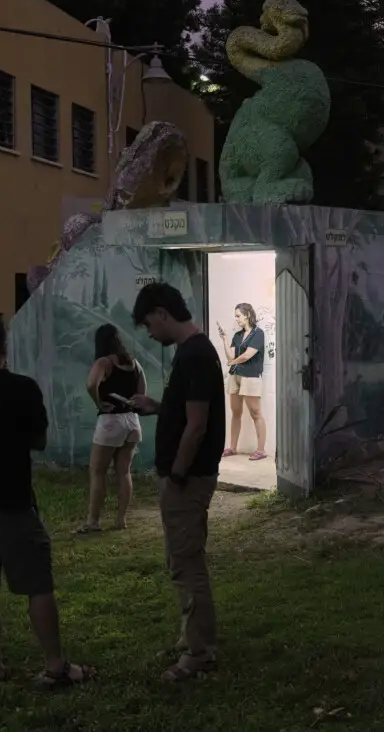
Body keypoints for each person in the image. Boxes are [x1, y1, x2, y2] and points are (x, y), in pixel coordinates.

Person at [0, 314, 93, 688]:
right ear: (3, 346)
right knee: (37, 584)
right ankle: (55, 666)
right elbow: (38, 440)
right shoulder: (22, 388)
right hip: (9, 499)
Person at [128, 282, 225, 682]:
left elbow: (197, 425)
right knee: (179, 560)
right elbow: (187, 411)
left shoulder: (196, 354)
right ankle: (191, 637)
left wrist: (178, 474)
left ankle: (199, 654)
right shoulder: (191, 353)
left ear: (162, 313)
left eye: (149, 324)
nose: (150, 333)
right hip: (182, 476)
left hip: (187, 479)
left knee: (187, 563)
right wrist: (157, 407)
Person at [78, 324, 145, 534]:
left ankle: (93, 521)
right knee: (124, 471)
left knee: (97, 472)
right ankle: (121, 520)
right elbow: (142, 391)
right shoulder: (134, 363)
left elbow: (91, 384)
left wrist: (99, 403)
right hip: (132, 421)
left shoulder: (103, 362)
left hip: (110, 421)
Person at [218, 302, 268, 461]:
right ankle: (232, 447)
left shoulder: (258, 334)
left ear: (248, 315)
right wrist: (225, 339)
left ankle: (261, 450)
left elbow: (247, 355)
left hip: (250, 376)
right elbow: (230, 356)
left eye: (238, 316)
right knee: (236, 412)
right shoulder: (237, 335)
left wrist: (232, 362)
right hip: (235, 375)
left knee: (255, 413)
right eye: (235, 316)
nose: (237, 319)